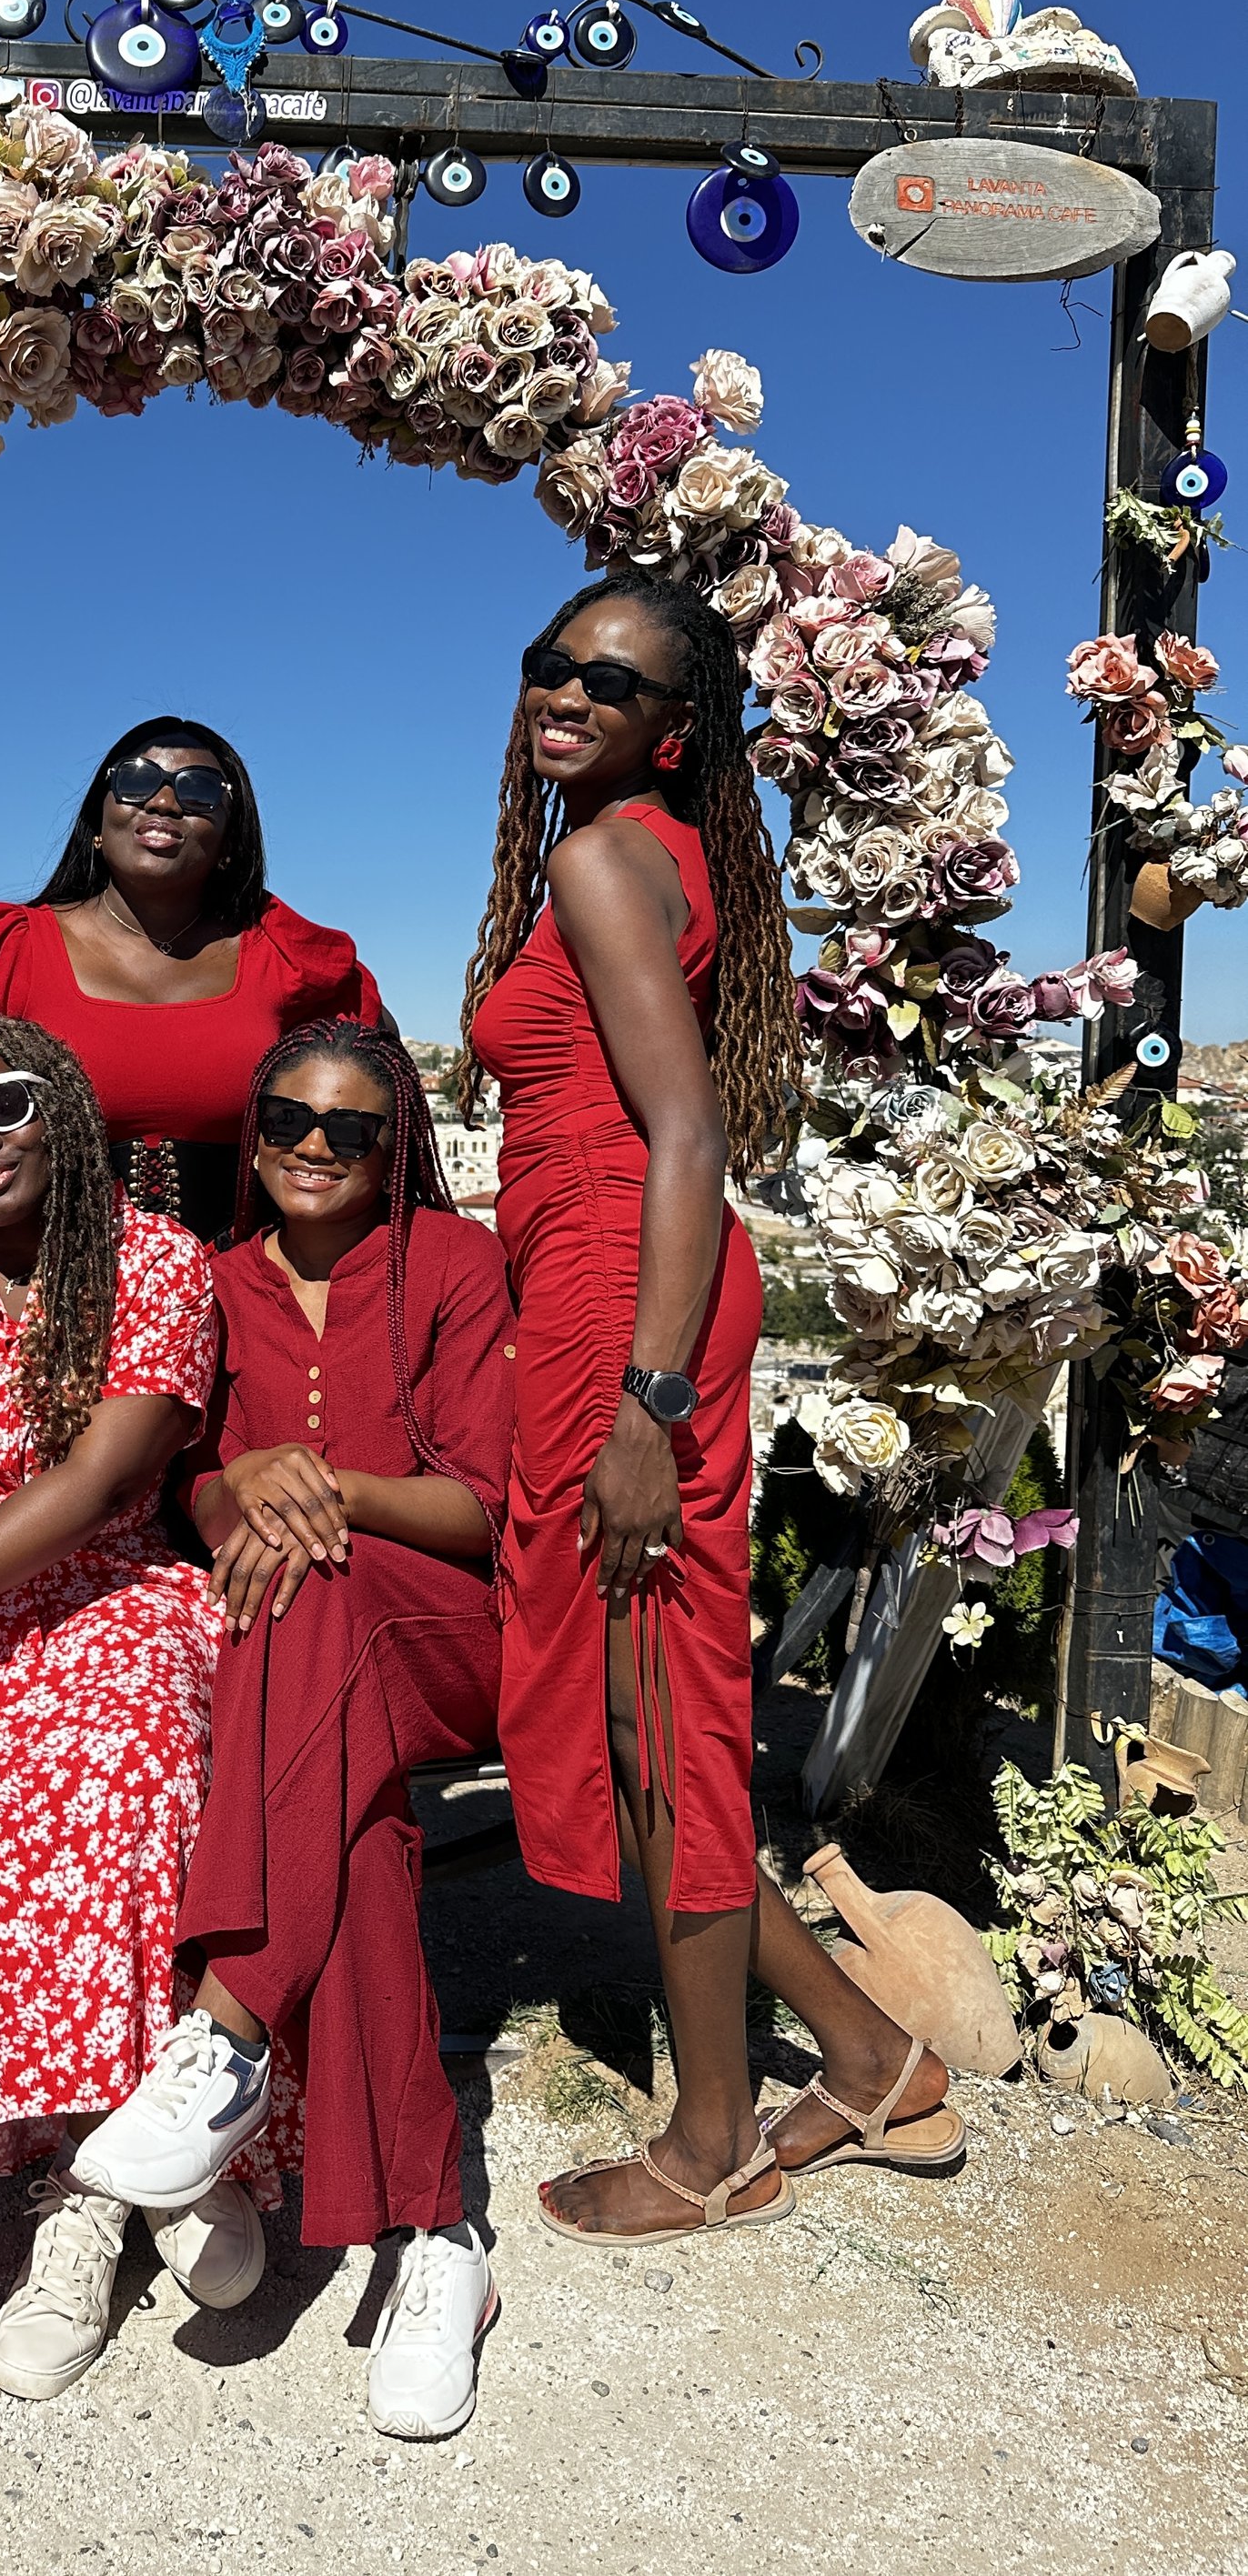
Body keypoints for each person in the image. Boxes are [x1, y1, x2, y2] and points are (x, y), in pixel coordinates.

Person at [456, 573, 965, 2247]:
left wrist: (643, 1406)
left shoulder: (607, 854)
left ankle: (717, 2136)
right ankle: (872, 2049)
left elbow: (687, 1137)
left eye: (614, 679)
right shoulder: (632, 847)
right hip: (605, 1291)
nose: (570, 692)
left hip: (629, 1304)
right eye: (552, 663)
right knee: (638, 1717)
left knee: (661, 1731)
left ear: (677, 727)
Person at [0, 1014, 289, 2402]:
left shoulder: (154, 1261)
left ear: (66, 1107)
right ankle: (86, 2179)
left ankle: (151, 2155)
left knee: (128, 1757)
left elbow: (96, 1482)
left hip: (111, 1595)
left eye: (4, 1104)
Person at [71, 1021, 516, 2441]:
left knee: (311, 1582)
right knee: (365, 1827)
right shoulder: (211, 1284)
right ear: (252, 1136)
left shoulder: (452, 1265)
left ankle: (231, 2018)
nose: (315, 1147)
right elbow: (191, 1486)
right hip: (314, 1666)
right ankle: (438, 2233)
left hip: (452, 1639)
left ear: (399, 1153)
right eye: (288, 1121)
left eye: (353, 1129)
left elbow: (477, 1508)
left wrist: (320, 1487)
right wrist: (238, 1487)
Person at [0, 716, 382, 1241]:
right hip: (58, 1292)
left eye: (199, 790)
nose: (162, 801)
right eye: (134, 780)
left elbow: (380, 1092)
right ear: (97, 821)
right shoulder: (12, 950)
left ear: (230, 839)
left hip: (246, 1291)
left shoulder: (286, 955)